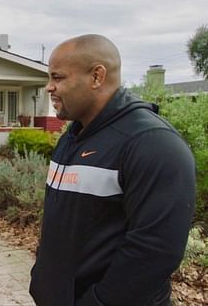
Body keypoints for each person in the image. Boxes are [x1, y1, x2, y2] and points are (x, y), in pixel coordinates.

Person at [29, 34, 196, 306]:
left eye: (58, 78)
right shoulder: (72, 137)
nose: (49, 87)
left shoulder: (152, 144)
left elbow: (154, 252)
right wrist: (42, 277)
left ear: (97, 76)